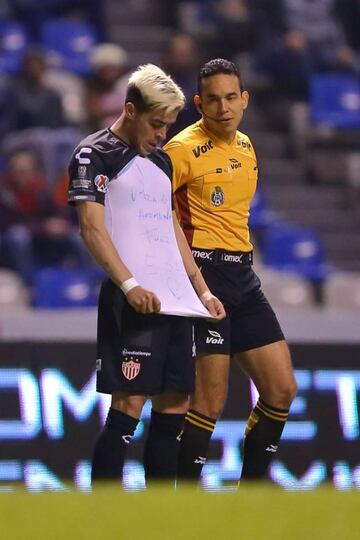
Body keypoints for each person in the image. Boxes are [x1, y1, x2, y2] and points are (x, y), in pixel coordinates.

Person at [67, 63, 225, 486]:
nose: (162, 135)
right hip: (131, 298)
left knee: (175, 403)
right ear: (130, 110)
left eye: (169, 126)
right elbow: (91, 228)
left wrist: (201, 289)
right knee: (130, 404)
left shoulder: (160, 161)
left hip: (174, 300)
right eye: (157, 124)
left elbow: (169, 226)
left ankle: (160, 517)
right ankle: (104, 516)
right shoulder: (94, 153)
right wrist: (130, 284)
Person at [164, 58, 297, 483]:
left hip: (243, 276)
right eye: (214, 100)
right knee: (210, 401)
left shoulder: (247, 147)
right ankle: (186, 507)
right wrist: (190, 278)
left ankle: (251, 498)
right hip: (204, 277)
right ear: (200, 104)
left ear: (245, 100)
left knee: (281, 389)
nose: (223, 108)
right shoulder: (181, 149)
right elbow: (155, 210)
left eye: (231, 98)